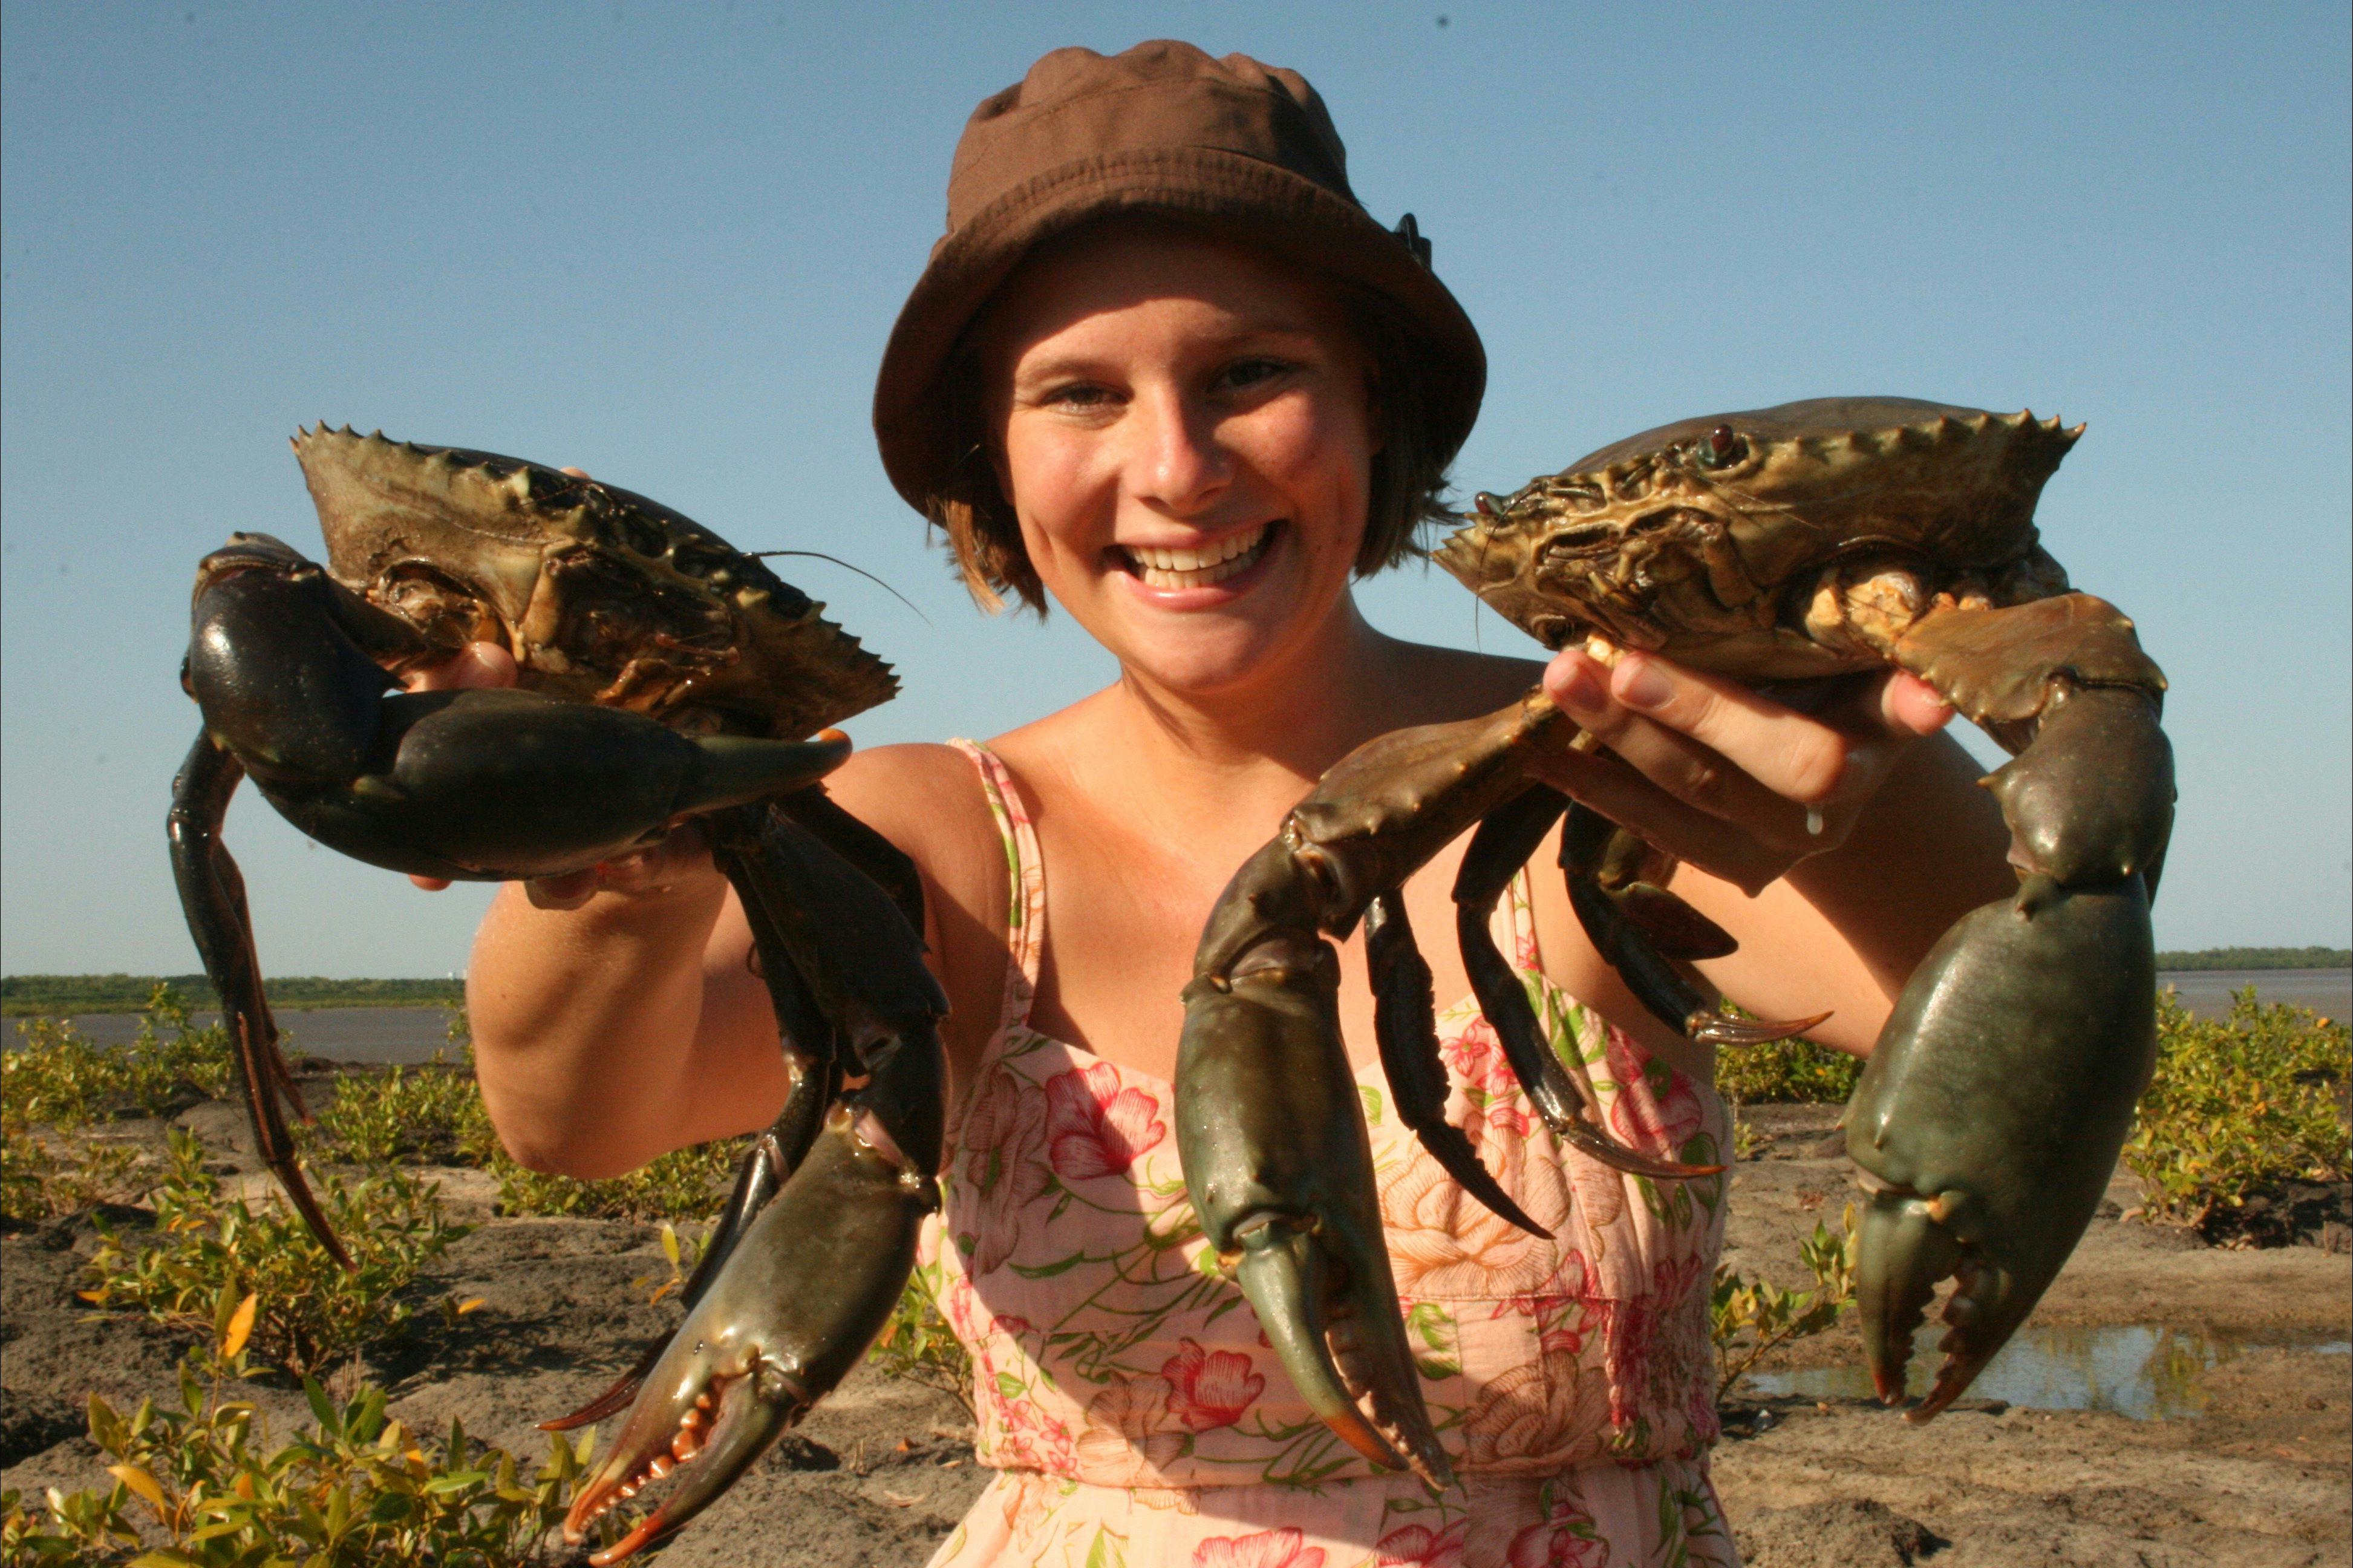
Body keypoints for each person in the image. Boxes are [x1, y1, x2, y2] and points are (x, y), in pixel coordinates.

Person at [420, 41, 2014, 1567]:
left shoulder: (1590, 758)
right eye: (1079, 394)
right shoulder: (938, 839)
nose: (1175, 469)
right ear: (990, 449)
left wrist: (1870, 779)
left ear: (1370, 407)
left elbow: (1973, 1009)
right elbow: (579, 1115)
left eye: (1250, 374)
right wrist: (597, 833)